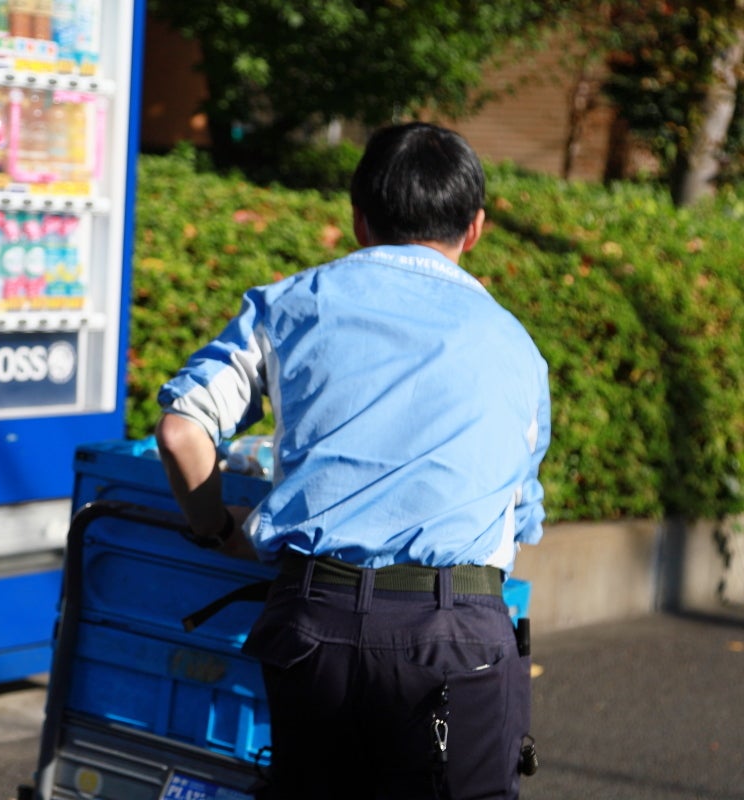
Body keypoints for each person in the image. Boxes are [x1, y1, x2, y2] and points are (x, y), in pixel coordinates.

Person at [154, 122, 551, 799]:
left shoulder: (287, 306)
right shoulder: (518, 348)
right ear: (476, 228)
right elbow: (516, 517)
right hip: (459, 639)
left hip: (317, 626)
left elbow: (181, 432)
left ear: (359, 219)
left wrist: (218, 528)